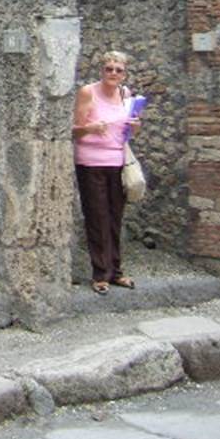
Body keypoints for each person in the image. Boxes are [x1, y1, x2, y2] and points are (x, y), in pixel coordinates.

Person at [71, 50, 141, 295]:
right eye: (109, 68)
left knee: (115, 217)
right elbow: (74, 130)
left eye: (118, 69)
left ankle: (116, 272)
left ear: (124, 73)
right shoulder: (87, 92)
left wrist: (136, 127)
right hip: (90, 163)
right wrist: (90, 128)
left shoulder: (126, 95)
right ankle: (100, 274)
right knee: (97, 217)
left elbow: (128, 135)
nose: (113, 73)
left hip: (117, 161)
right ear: (101, 70)